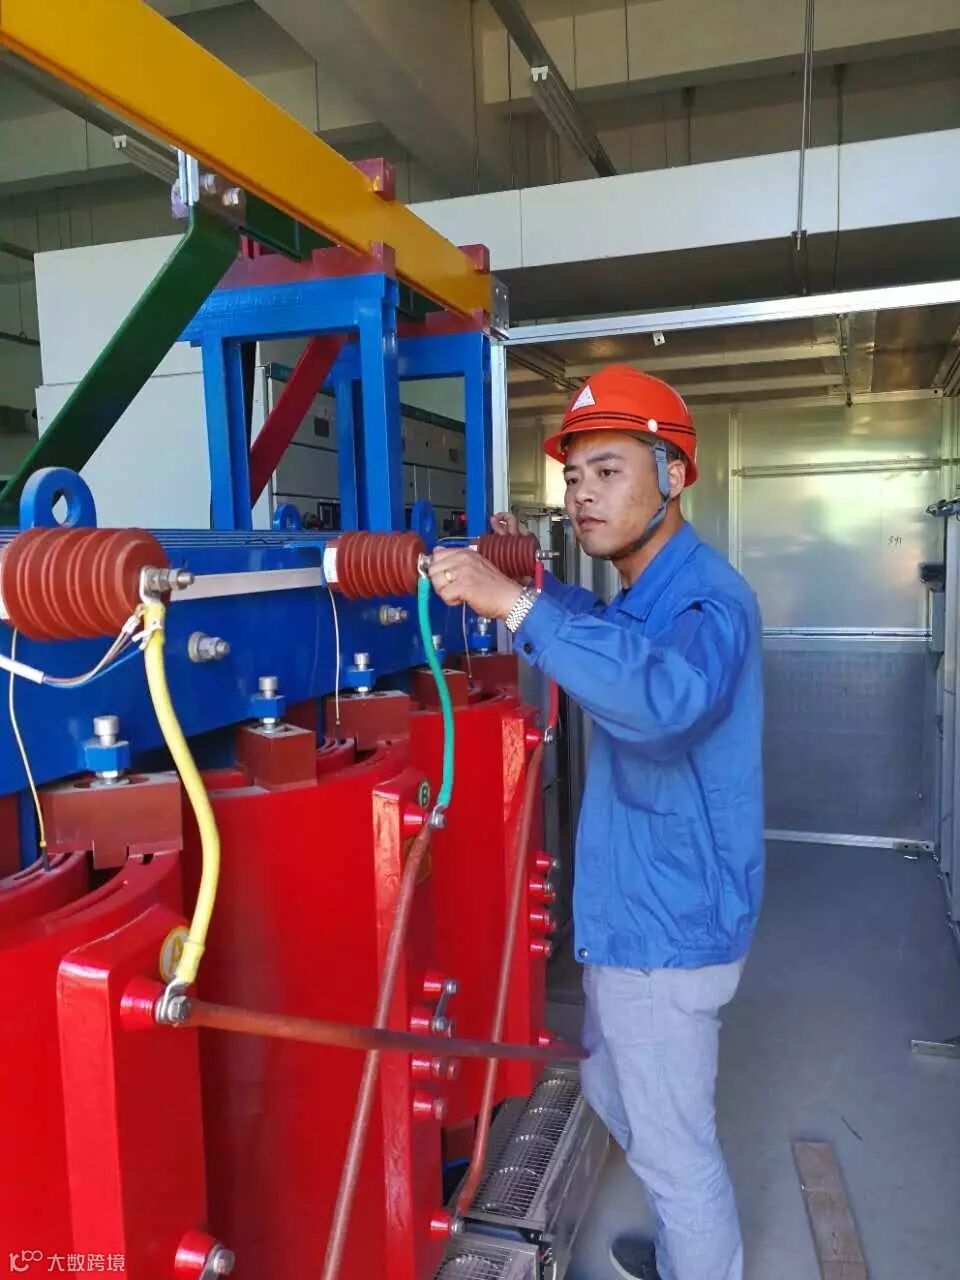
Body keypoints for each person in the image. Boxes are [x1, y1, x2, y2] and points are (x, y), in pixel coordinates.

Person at [428, 365, 764, 1280]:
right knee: (619, 1092)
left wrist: (515, 605)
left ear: (674, 475)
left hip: (667, 930)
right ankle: (690, 1252)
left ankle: (703, 1264)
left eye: (609, 471)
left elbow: (659, 700)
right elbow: (604, 633)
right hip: (638, 916)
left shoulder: (706, 603)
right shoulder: (646, 594)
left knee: (674, 1150)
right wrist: (530, 580)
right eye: (574, 476)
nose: (582, 494)